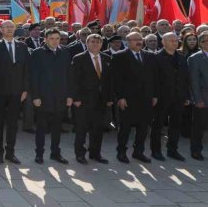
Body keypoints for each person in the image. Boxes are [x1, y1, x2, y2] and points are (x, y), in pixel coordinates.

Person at [0, 20, 29, 164]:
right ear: (1, 29)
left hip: (17, 92)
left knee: (13, 123)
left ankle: (10, 153)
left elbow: (26, 70)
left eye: (12, 26)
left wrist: (25, 89)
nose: (10, 29)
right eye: (7, 27)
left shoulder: (22, 46)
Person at [112, 32, 158, 163]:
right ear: (127, 41)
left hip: (146, 98)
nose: (139, 41)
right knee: (125, 128)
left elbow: (153, 77)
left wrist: (154, 95)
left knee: (143, 127)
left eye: (140, 39)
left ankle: (138, 151)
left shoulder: (149, 56)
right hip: (128, 99)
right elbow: (117, 79)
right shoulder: (119, 56)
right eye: (135, 39)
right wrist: (120, 97)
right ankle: (121, 152)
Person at [30, 29, 72, 164]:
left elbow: (68, 75)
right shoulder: (38, 53)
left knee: (57, 128)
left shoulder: (65, 53)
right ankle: (39, 154)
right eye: (52, 38)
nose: (55, 41)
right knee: (41, 128)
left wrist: (70, 95)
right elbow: (34, 77)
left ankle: (55, 153)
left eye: (57, 38)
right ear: (46, 39)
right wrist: (35, 96)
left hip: (60, 96)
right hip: (43, 97)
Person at [70, 34, 113, 164]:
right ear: (87, 43)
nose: (95, 44)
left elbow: (110, 81)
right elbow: (74, 80)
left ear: (102, 44)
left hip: (101, 100)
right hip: (83, 100)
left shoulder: (107, 58)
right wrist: (75, 98)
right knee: (82, 129)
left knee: (97, 129)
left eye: (98, 42)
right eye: (92, 42)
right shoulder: (79, 58)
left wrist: (110, 97)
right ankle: (80, 154)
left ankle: (95, 153)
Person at [150, 32, 189, 161]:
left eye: (176, 40)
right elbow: (153, 79)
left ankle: (172, 150)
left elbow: (185, 79)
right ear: (163, 42)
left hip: (178, 97)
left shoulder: (182, 57)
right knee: (158, 125)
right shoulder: (156, 58)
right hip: (161, 97)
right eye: (171, 40)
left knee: (176, 124)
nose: (174, 42)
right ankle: (155, 150)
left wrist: (186, 96)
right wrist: (154, 95)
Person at [188, 32, 208, 160]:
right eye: (206, 41)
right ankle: (196, 150)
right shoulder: (195, 58)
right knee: (199, 127)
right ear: (200, 44)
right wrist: (197, 99)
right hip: (203, 98)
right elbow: (193, 81)